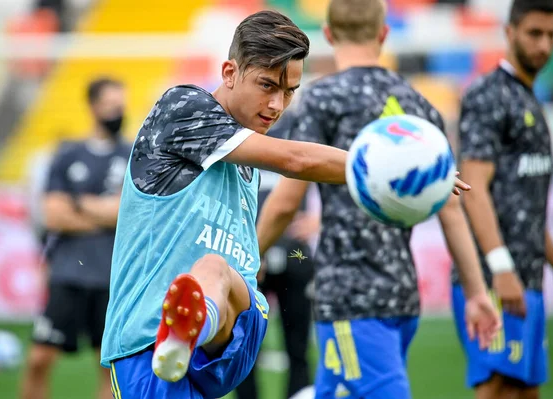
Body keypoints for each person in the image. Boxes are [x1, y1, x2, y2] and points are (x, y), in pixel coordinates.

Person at [99, 9, 471, 399]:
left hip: (231, 328)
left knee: (215, 270)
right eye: (267, 85)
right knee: (212, 269)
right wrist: (390, 165)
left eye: (290, 91)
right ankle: (188, 329)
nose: (278, 104)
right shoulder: (183, 108)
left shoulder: (245, 154)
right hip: (148, 341)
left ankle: (194, 324)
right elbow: (296, 161)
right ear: (229, 72)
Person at [255, 1, 501, 399]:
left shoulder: (322, 99)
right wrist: (476, 293)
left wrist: (247, 260)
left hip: (349, 296)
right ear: (383, 34)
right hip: (403, 296)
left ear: (330, 36)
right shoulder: (418, 104)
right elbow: (451, 207)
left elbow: (286, 202)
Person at [452, 1, 553, 398]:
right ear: (510, 32)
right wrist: (500, 268)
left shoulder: (529, 99)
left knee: (525, 390)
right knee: (498, 388)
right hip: (493, 279)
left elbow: (527, 209)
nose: (543, 45)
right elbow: (473, 188)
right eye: (534, 33)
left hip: (528, 278)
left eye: (552, 35)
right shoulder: (489, 95)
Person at [21, 77, 131, 399]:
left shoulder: (133, 155)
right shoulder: (67, 154)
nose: (117, 112)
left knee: (108, 368)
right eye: (111, 106)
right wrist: (106, 212)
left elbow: (128, 214)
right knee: (39, 360)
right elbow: (53, 215)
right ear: (94, 107)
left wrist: (79, 203)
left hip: (112, 276)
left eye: (121, 106)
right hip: (68, 273)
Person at [235, 109, 320, 399]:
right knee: (242, 352)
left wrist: (321, 219)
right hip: (245, 251)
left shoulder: (302, 120)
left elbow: (327, 164)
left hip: (293, 250)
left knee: (297, 347)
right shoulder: (234, 120)